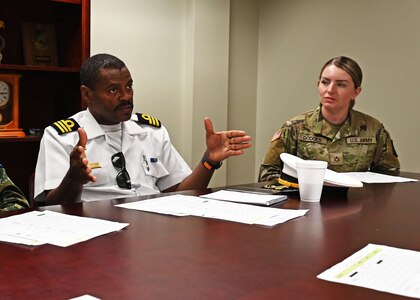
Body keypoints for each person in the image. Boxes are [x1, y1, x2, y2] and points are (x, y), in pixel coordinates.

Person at [34, 53, 252, 204]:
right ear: (87, 94)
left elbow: (181, 193)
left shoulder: (151, 131)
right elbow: (51, 206)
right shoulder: (61, 136)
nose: (126, 96)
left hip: (151, 229)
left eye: (129, 86)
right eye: (113, 90)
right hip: (95, 232)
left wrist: (209, 160)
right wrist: (74, 178)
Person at [259, 56, 399, 182]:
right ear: (318, 84)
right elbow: (267, 173)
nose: (330, 90)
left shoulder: (372, 128)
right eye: (325, 82)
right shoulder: (295, 127)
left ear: (356, 92)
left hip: (357, 203)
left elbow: (389, 174)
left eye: (341, 84)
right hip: (306, 202)